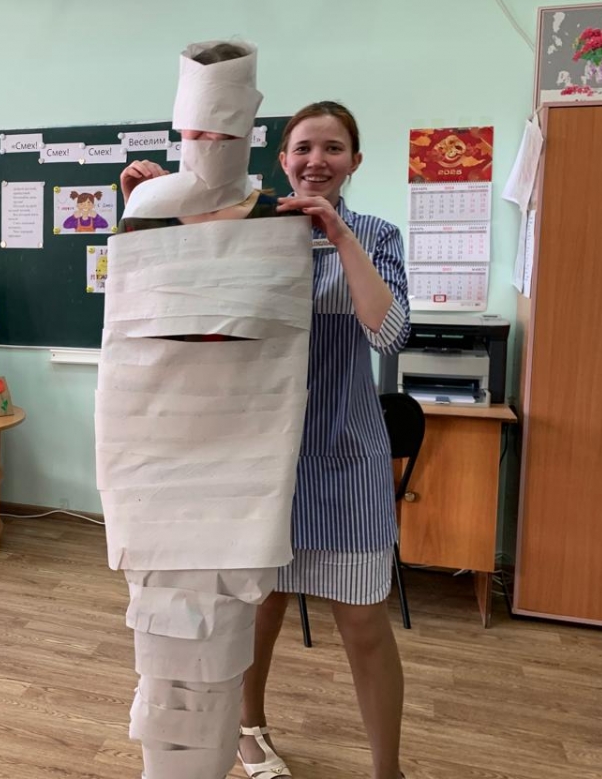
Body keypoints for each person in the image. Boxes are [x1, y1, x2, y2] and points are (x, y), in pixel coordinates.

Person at [100, 40, 314, 779]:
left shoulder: (279, 217)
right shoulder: (148, 209)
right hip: (151, 451)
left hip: (244, 457)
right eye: (194, 132)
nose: (205, 145)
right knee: (161, 642)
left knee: (220, 647)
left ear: (249, 130)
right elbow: (128, 336)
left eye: (220, 132)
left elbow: (275, 345)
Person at [237, 102, 411, 779]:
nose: (317, 160)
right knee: (261, 609)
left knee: (364, 623)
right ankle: (249, 730)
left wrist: (339, 235)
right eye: (304, 147)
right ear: (282, 159)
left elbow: (388, 334)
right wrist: (142, 208)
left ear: (355, 161)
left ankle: (387, 770)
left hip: (347, 453)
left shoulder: (376, 235)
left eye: (333, 148)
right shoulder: (251, 231)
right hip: (264, 455)